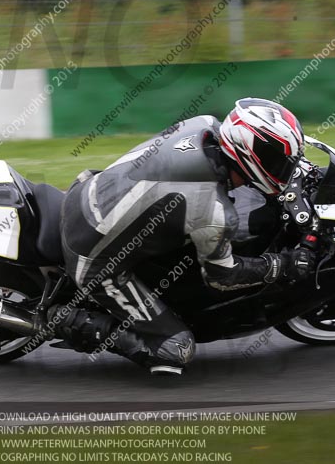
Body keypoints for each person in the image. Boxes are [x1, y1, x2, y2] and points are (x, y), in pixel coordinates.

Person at [49, 98, 316, 375]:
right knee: (177, 349)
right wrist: (281, 265)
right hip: (92, 256)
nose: (283, 168)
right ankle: (62, 319)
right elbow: (223, 276)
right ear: (250, 153)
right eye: (279, 161)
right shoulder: (211, 210)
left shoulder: (203, 126)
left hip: (87, 189)